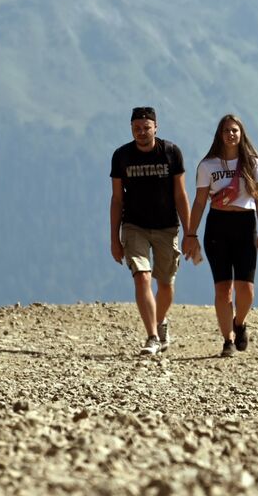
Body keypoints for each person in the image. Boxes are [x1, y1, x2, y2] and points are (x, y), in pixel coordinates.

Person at [109, 106, 195, 356]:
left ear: (156, 127)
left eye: (146, 127)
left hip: (167, 226)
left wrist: (190, 233)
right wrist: (114, 239)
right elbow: (116, 199)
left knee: (166, 283)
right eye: (137, 128)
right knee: (142, 276)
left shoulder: (171, 153)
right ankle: (152, 336)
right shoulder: (121, 156)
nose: (142, 132)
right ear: (131, 129)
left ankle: (160, 320)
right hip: (134, 225)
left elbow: (181, 194)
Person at [186, 113, 258, 358]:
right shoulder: (208, 165)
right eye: (226, 131)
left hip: (245, 225)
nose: (231, 134)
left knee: (247, 289)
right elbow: (200, 202)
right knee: (223, 289)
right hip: (217, 226)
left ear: (241, 133)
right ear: (219, 135)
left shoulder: (252, 163)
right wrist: (191, 234)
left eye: (235, 130)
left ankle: (240, 322)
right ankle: (227, 340)